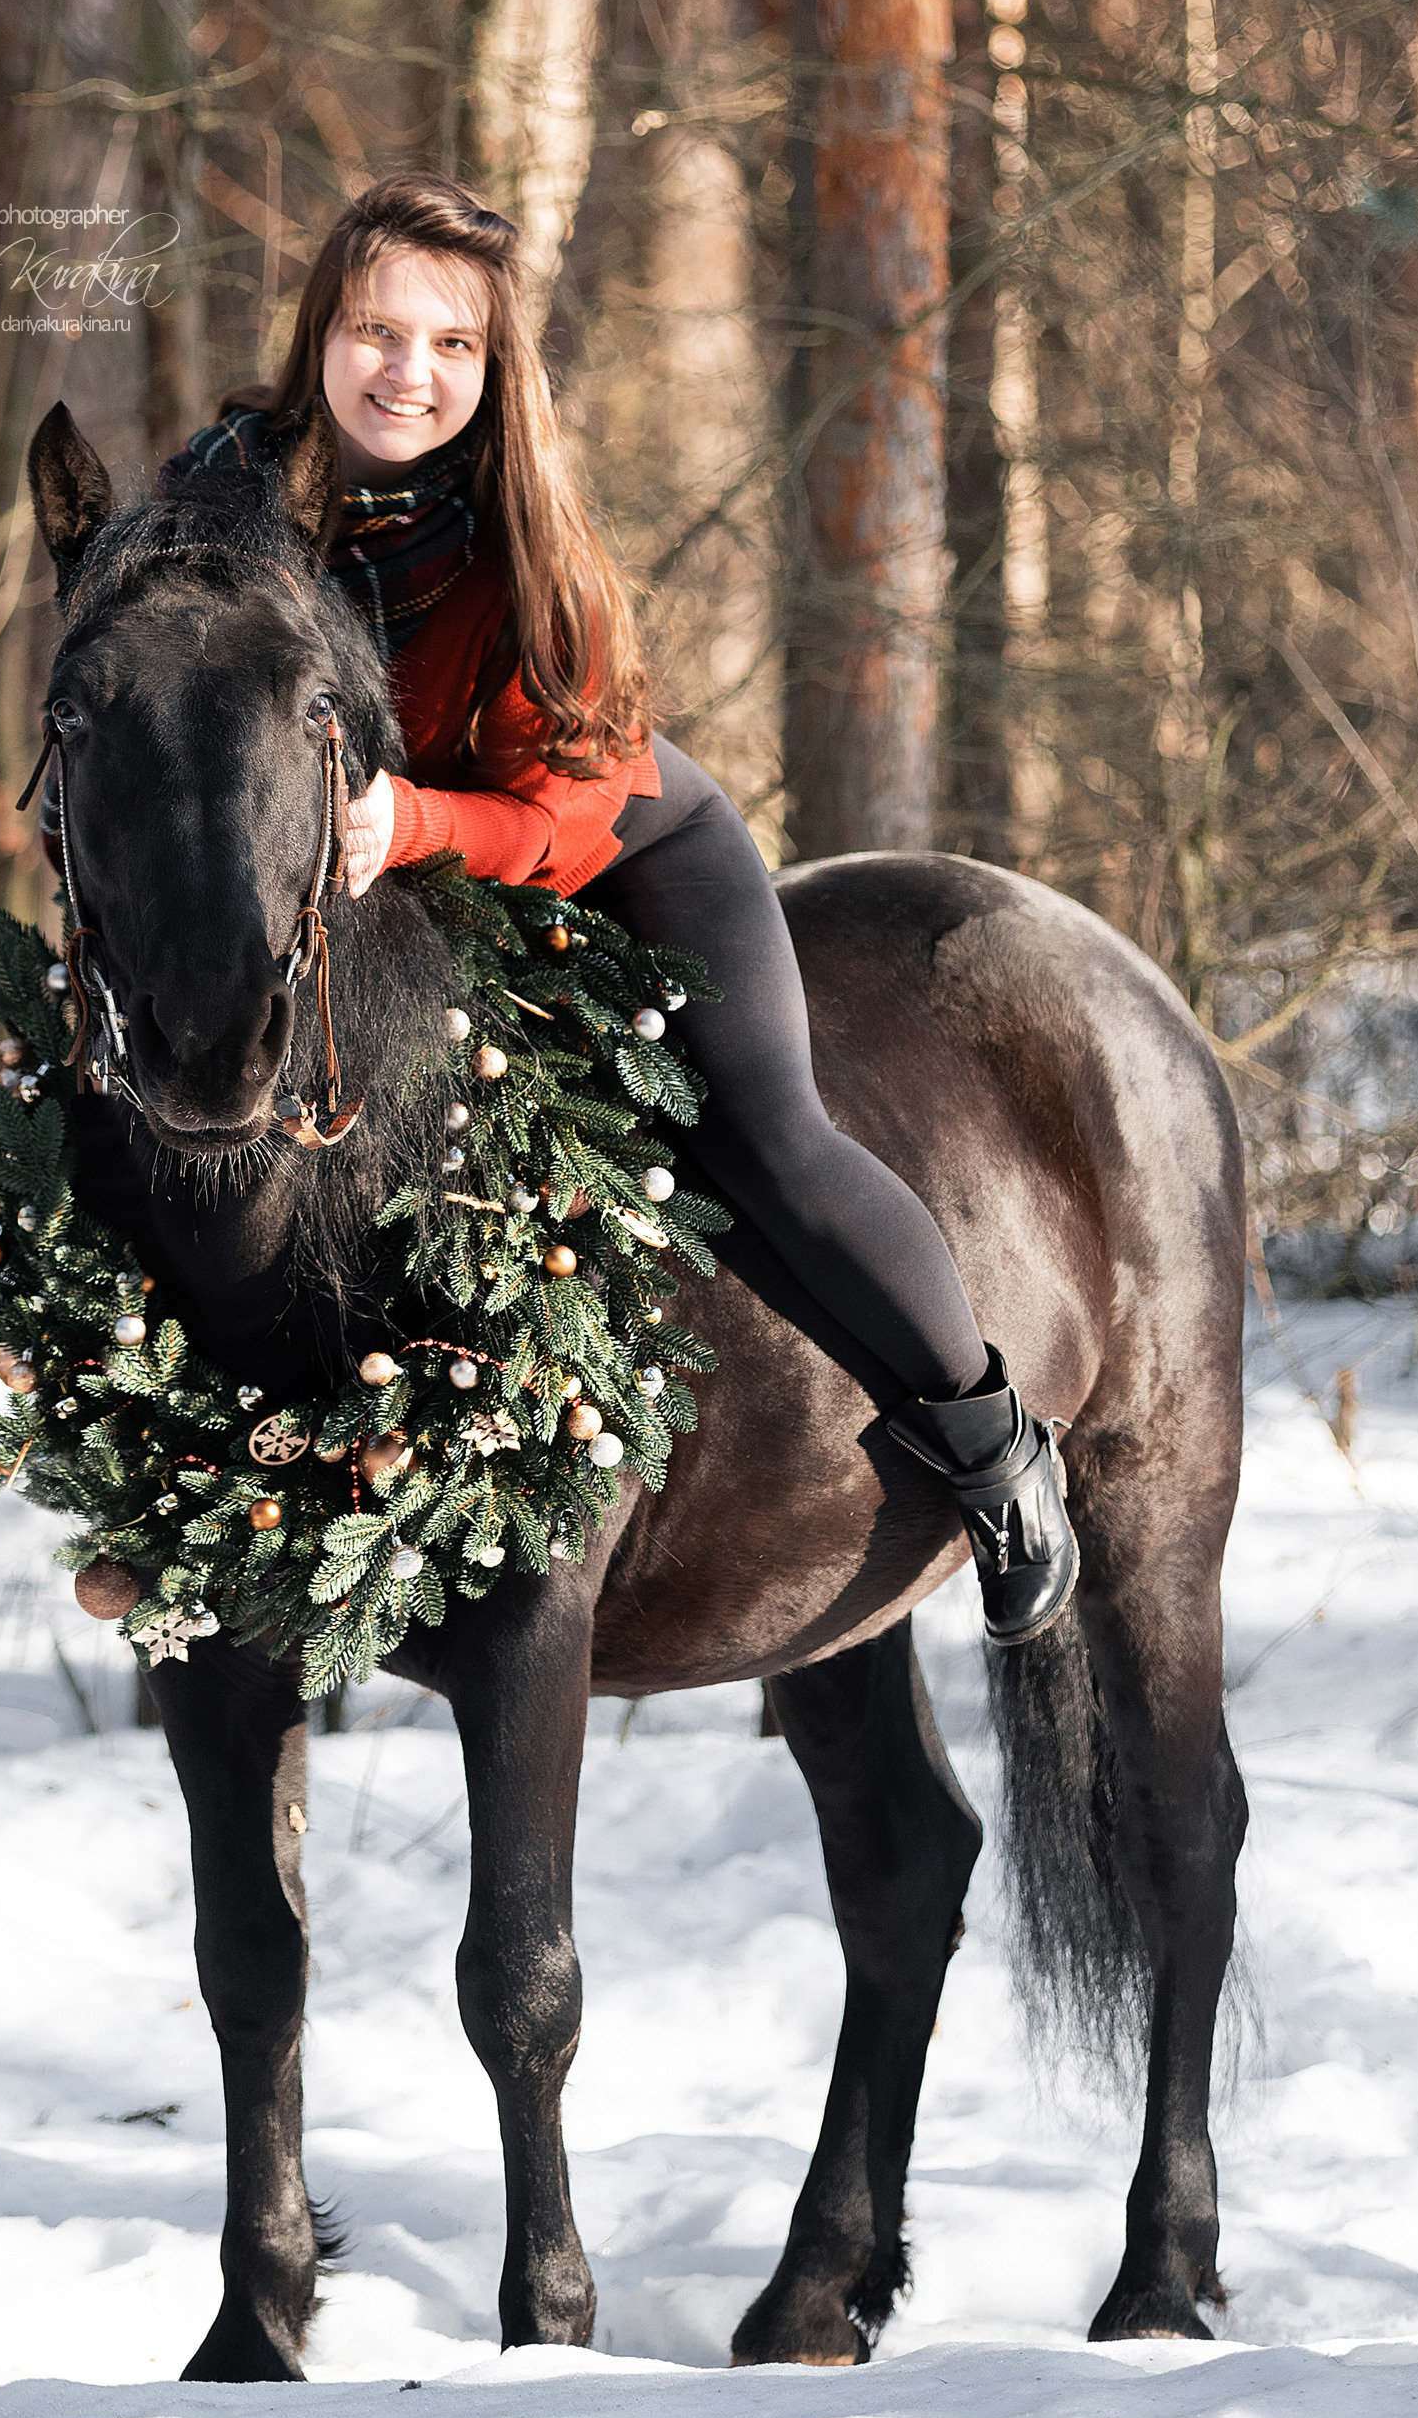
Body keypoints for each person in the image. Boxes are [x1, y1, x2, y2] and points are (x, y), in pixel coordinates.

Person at [158, 176, 1076, 1645]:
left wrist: (407, 824)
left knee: (763, 1139)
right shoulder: (223, 501)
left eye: (451, 345)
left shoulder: (532, 549)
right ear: (316, 334)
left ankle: (989, 1451)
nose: (408, 372)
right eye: (376, 330)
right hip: (363, 883)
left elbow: (559, 811)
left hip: (608, 852)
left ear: (495, 369)